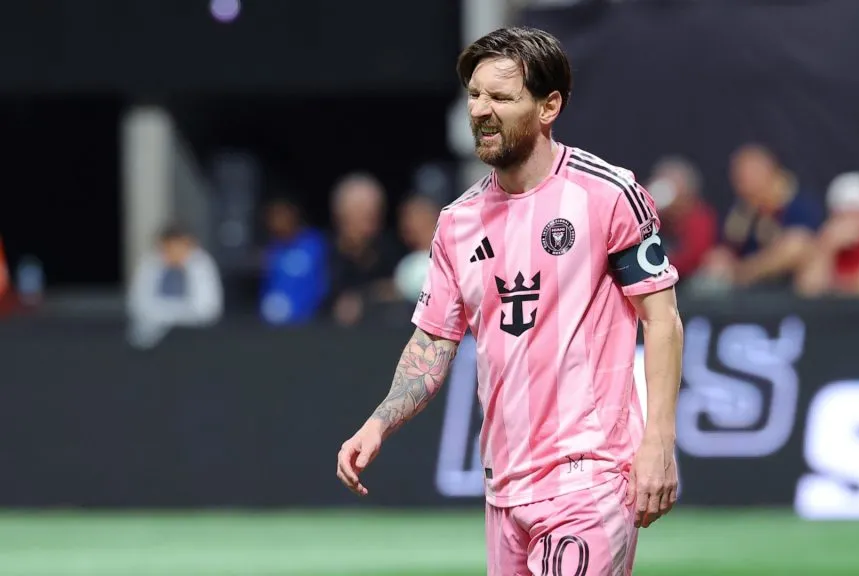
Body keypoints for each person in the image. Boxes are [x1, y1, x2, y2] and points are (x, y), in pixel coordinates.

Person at [336, 26, 684, 576]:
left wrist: (658, 442)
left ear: (549, 106)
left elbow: (662, 321)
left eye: (500, 97)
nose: (481, 110)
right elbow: (434, 339)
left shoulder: (608, 194)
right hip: (504, 486)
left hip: (588, 476)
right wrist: (378, 423)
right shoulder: (456, 222)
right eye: (474, 95)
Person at [699, 144, 823, 289]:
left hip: (790, 279)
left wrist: (745, 271)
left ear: (770, 171)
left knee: (796, 244)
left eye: (751, 173)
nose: (744, 181)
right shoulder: (739, 212)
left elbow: (801, 246)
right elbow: (727, 246)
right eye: (739, 175)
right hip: (747, 282)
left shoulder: (798, 203)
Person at [127, 225, 223, 348]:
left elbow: (208, 310)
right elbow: (137, 305)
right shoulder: (149, 264)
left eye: (180, 247)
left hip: (196, 338)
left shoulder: (202, 265)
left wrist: (165, 313)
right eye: (169, 248)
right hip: (152, 340)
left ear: (191, 246)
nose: (175, 252)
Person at [328, 173, 405, 325]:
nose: (370, 227)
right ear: (341, 216)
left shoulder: (390, 252)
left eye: (374, 217)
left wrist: (364, 297)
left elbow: (402, 287)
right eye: (363, 217)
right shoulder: (323, 254)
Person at [645, 156, 718, 281]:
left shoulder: (699, 217)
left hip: (689, 282)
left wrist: (657, 268)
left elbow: (693, 257)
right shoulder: (655, 217)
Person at [260, 198, 329, 325]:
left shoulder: (314, 244)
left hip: (308, 323)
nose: (277, 221)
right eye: (273, 216)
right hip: (273, 324)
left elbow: (322, 283)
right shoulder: (272, 249)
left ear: (293, 214)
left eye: (281, 215)